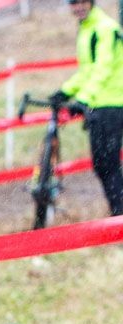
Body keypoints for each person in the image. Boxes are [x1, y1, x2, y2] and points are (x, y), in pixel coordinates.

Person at [51, 0, 123, 216]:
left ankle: (119, 217)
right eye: (74, 3)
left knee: (107, 165)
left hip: (112, 104)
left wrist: (83, 99)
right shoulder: (87, 28)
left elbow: (103, 67)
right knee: (104, 165)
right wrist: (66, 91)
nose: (79, 7)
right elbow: (87, 71)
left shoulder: (104, 28)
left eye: (83, 2)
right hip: (100, 104)